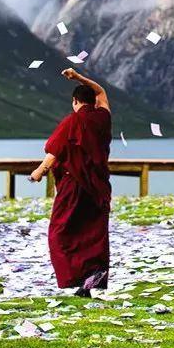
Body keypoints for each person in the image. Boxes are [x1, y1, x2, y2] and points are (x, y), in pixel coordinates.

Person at [29, 68, 112, 297]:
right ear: (93, 100)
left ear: (75, 101)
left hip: (73, 187)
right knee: (94, 233)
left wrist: (39, 171)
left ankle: (75, 279)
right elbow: (102, 91)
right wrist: (77, 77)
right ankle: (89, 281)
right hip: (98, 188)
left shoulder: (71, 122)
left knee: (61, 232)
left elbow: (55, 151)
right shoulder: (103, 118)